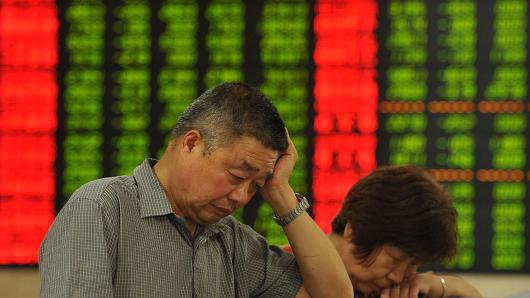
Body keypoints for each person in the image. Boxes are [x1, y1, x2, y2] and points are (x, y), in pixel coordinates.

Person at [39, 82, 352, 297]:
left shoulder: (232, 240)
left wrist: (281, 194)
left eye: (256, 186)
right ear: (191, 143)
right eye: (236, 175)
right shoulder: (101, 208)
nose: (241, 197)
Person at [328, 165, 482, 298]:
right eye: (395, 259)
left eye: (413, 264)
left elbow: (470, 293)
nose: (399, 277)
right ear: (353, 232)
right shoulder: (305, 278)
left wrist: (439, 285)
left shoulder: (389, 290)